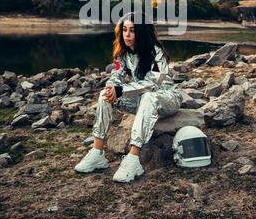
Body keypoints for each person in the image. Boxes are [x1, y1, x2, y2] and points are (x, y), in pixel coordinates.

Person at [74, 11, 183, 183]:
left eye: (132, 30)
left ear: (141, 33)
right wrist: (111, 87)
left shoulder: (157, 53)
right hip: (141, 99)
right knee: (104, 95)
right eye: (124, 30)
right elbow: (116, 73)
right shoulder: (122, 54)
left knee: (148, 96)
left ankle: (133, 159)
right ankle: (97, 153)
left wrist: (121, 90)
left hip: (166, 98)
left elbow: (152, 84)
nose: (127, 35)